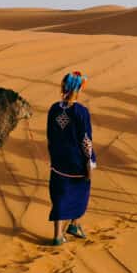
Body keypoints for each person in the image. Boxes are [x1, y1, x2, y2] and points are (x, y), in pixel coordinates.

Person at [46, 72, 96, 244]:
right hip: (76, 163)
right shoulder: (81, 112)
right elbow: (86, 140)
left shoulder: (54, 109)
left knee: (59, 195)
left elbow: (50, 135)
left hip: (58, 161)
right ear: (79, 89)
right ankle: (69, 227)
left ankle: (62, 232)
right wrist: (89, 161)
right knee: (80, 192)